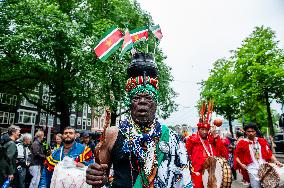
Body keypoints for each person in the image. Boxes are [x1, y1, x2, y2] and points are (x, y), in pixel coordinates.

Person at [86, 53, 192, 188]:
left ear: (156, 104)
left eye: (148, 98)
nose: (142, 102)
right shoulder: (112, 134)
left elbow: (183, 179)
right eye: (136, 98)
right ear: (129, 103)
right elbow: (102, 178)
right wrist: (95, 176)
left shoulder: (171, 138)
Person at [234, 122, 283, 188]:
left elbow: (269, 154)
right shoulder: (242, 142)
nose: (251, 133)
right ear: (245, 132)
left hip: (264, 168)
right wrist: (241, 164)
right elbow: (236, 156)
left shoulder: (261, 141)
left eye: (253, 131)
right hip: (252, 169)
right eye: (248, 131)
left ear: (255, 132)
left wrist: (276, 161)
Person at [186, 121, 228, 188]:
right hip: (198, 172)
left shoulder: (212, 140)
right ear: (198, 130)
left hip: (212, 172)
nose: (205, 132)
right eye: (202, 129)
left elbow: (224, 154)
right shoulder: (192, 140)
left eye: (206, 130)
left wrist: (215, 137)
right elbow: (186, 155)